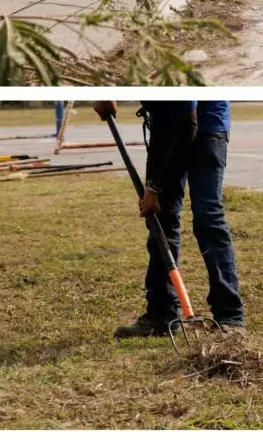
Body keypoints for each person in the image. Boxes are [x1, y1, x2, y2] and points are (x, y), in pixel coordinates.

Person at [93, 101, 245, 338]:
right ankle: (161, 317)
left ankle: (230, 318)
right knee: (161, 219)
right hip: (166, 125)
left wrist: (153, 187)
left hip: (205, 129)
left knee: (208, 218)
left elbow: (188, 126)